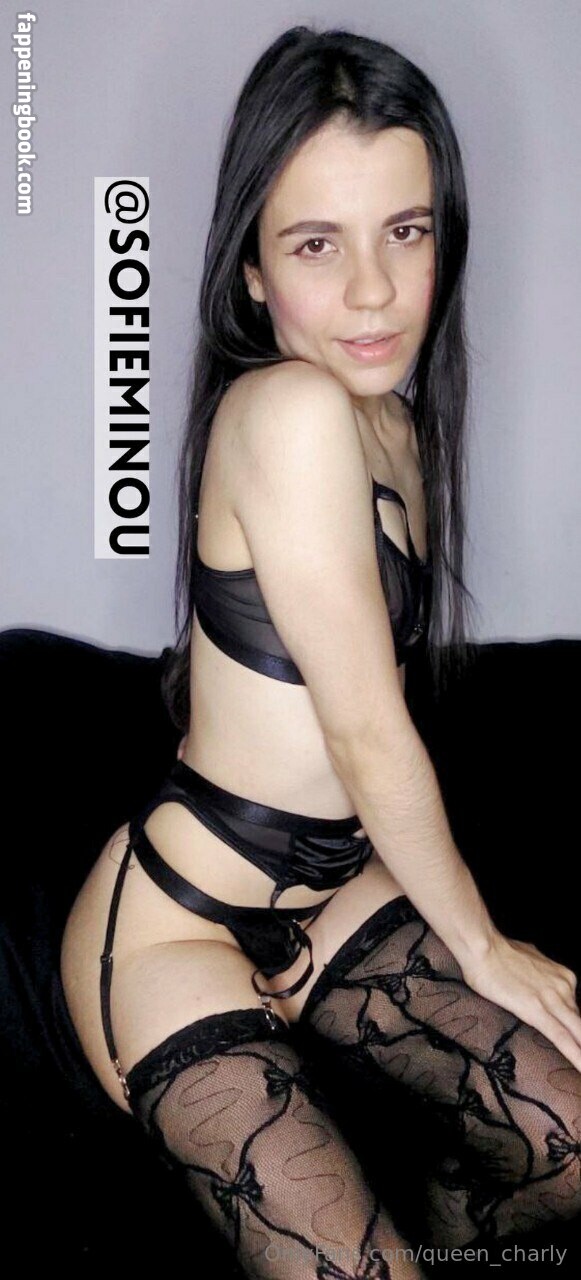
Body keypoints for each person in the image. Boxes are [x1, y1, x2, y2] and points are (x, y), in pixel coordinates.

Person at [59, 24, 581, 1279]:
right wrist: (483, 945)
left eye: (404, 230)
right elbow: (361, 726)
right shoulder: (285, 407)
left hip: (327, 892)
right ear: (249, 271)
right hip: (177, 926)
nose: (371, 291)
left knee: (568, 1145)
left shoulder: (387, 419)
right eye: (313, 244)